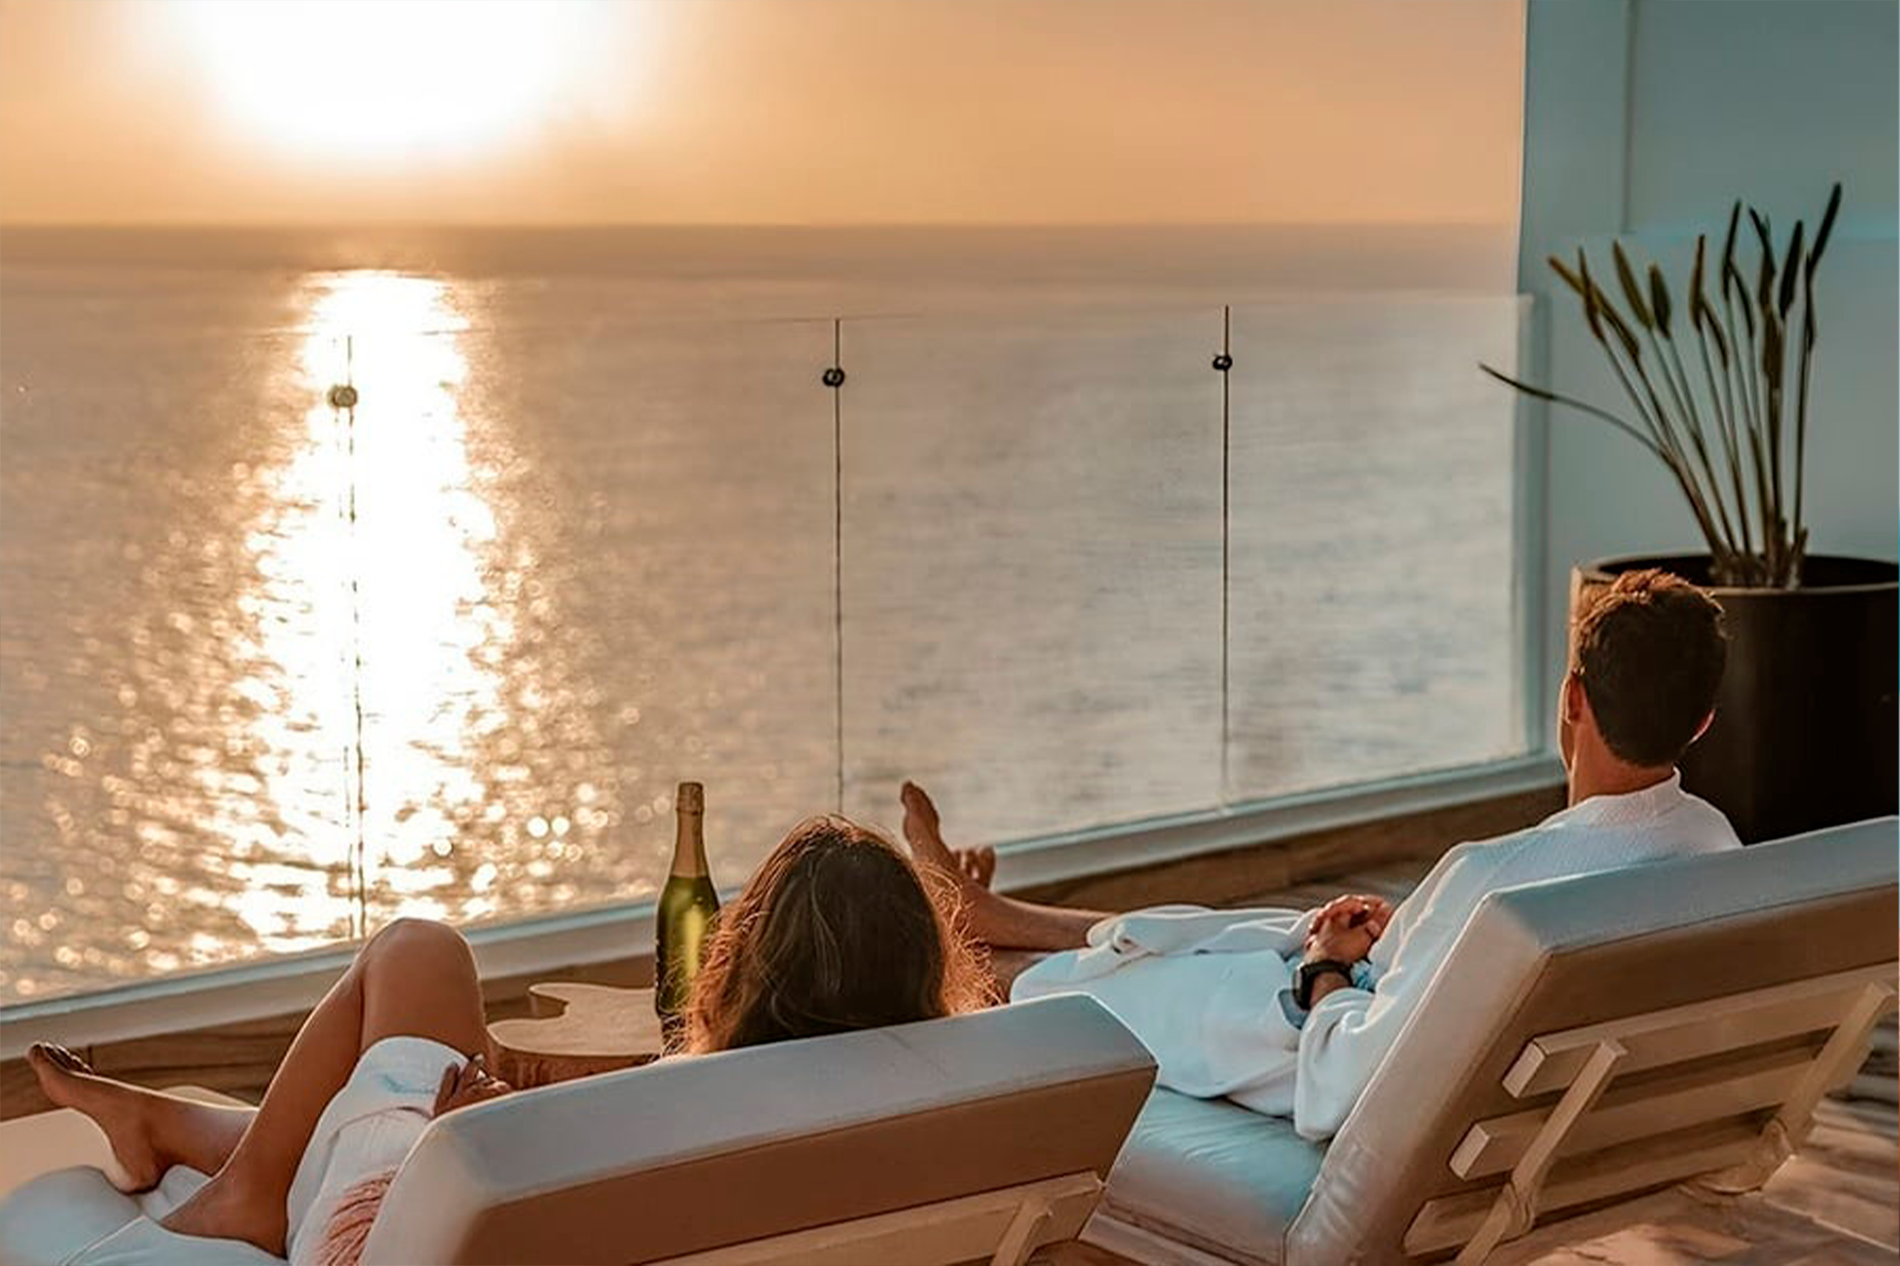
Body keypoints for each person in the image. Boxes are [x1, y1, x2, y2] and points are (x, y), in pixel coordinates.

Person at [900, 568, 1740, 1140]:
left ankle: (951, 953)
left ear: (1572, 698)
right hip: (1539, 1095)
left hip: (1316, 1051)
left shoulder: (1494, 881)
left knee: (1103, 985)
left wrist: (1326, 973)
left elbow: (1338, 1090)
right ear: (1701, 721)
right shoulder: (1715, 852)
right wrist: (1375, 944)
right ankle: (995, 914)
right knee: (1247, 930)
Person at [24, 816, 984, 1265]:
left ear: (743, 959)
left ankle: (247, 1194)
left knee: (415, 952)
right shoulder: (958, 1098)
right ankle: (182, 1130)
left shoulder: (685, 1114)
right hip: (530, 1201)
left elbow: (556, 1213)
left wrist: (483, 1135)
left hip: (391, 1237)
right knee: (427, 989)